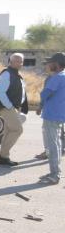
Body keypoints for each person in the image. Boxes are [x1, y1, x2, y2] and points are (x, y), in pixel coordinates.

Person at [0, 53, 28, 166]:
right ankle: (4, 155)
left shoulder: (16, 74)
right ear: (10, 61)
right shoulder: (7, 74)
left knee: (9, 131)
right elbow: (0, 92)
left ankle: (2, 157)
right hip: (7, 107)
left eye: (21, 61)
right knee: (18, 130)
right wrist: (10, 106)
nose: (19, 63)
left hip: (14, 108)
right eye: (17, 61)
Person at [37, 52, 65, 184]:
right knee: (57, 145)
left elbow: (44, 94)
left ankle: (55, 174)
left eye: (51, 62)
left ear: (57, 64)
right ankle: (54, 172)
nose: (48, 64)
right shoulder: (63, 76)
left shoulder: (57, 77)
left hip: (52, 115)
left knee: (53, 146)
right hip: (59, 115)